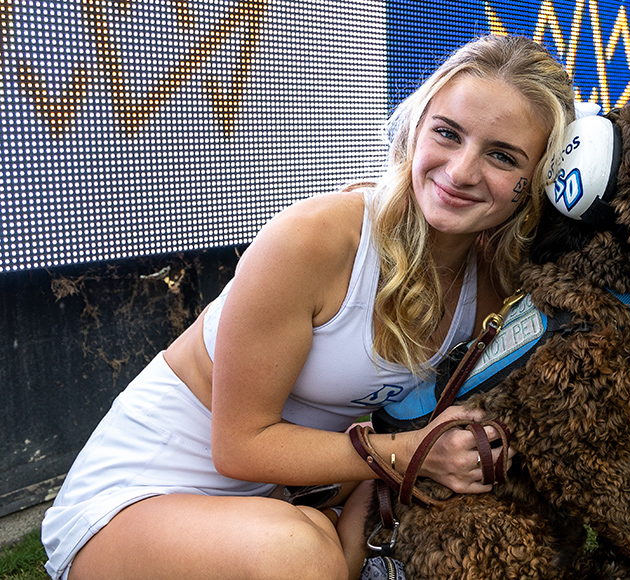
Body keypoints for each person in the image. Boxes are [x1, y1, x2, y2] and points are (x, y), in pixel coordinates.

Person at [41, 34, 577, 580]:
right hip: (139, 499)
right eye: (447, 133)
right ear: (415, 128)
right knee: (301, 553)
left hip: (283, 504)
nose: (461, 171)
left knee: (320, 544)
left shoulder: (491, 287)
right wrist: (411, 453)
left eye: (502, 155)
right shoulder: (316, 240)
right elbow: (239, 446)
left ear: (535, 181)